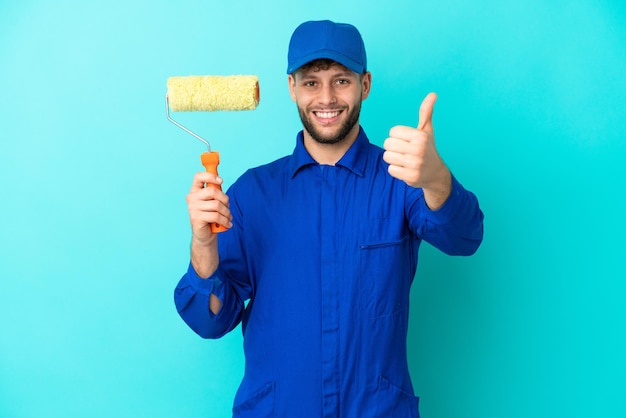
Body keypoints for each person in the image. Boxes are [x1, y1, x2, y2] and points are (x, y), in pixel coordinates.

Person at [174, 19, 484, 418]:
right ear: (292, 88)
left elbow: (465, 238)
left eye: (341, 80)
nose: (326, 97)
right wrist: (203, 244)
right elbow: (210, 320)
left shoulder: (401, 180)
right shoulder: (253, 193)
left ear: (365, 85)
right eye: (311, 82)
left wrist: (437, 179)